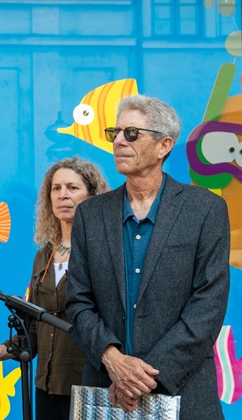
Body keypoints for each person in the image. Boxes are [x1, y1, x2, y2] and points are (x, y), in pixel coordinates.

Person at [65, 95, 230, 419]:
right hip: (107, 393)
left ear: (164, 145)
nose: (119, 142)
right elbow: (78, 302)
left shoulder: (205, 210)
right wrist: (112, 360)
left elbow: (207, 307)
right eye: (116, 133)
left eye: (132, 133)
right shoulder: (90, 214)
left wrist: (142, 377)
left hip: (184, 392)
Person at [0, 157, 109, 420]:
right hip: (46, 385)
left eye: (72, 188)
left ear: (92, 196)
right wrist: (0, 352)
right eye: (56, 188)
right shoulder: (43, 256)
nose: (62, 195)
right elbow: (35, 324)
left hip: (89, 387)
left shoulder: (104, 253)